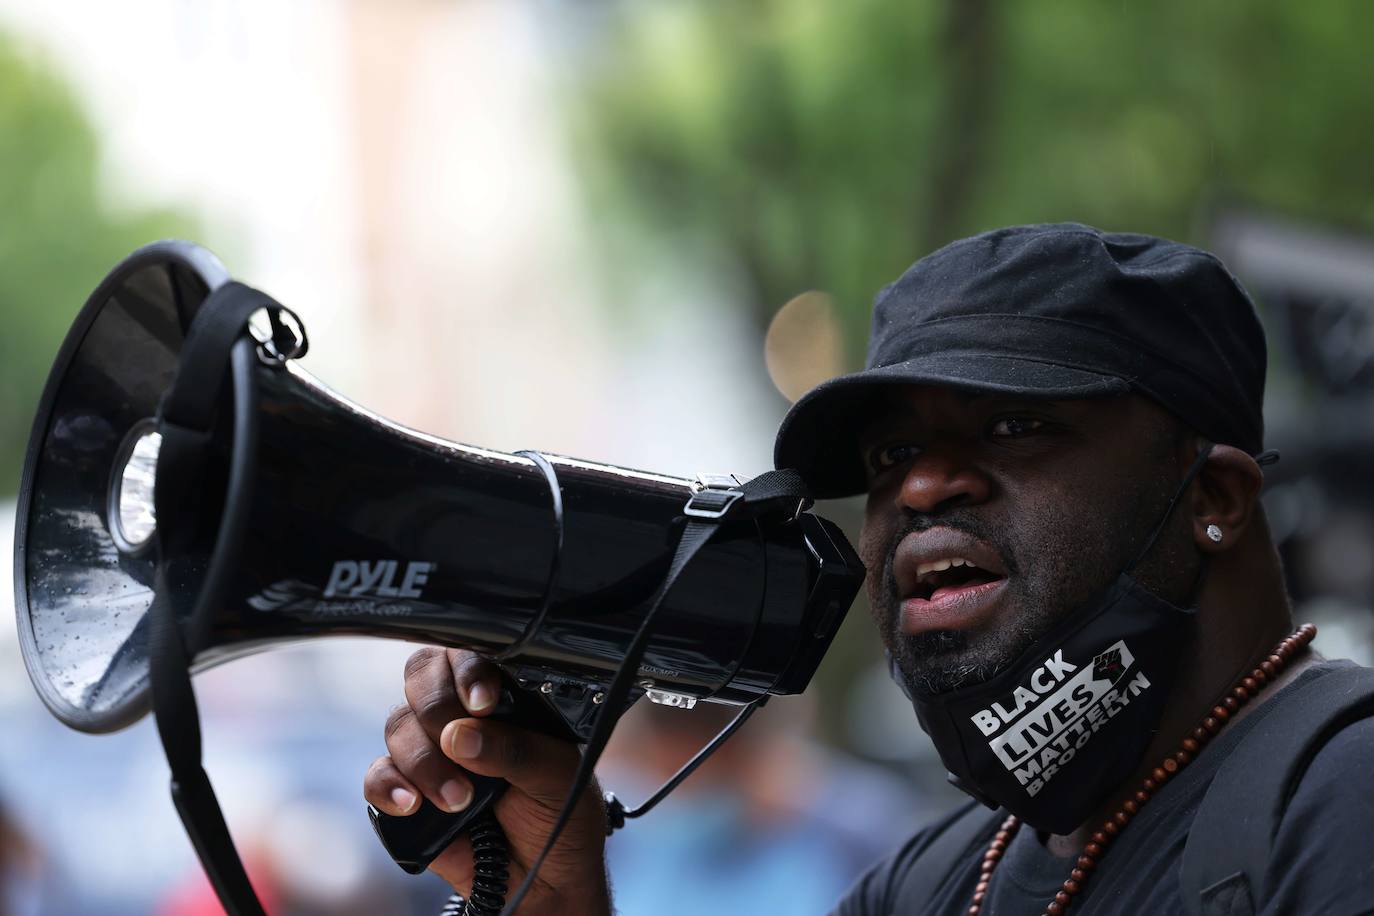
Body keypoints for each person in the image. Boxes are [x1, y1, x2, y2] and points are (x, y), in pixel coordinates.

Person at [362, 223, 1374, 915]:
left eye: (1016, 424)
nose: (924, 488)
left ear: (1216, 500)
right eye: (891, 457)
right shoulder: (937, 882)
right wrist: (551, 895)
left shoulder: (1341, 800)